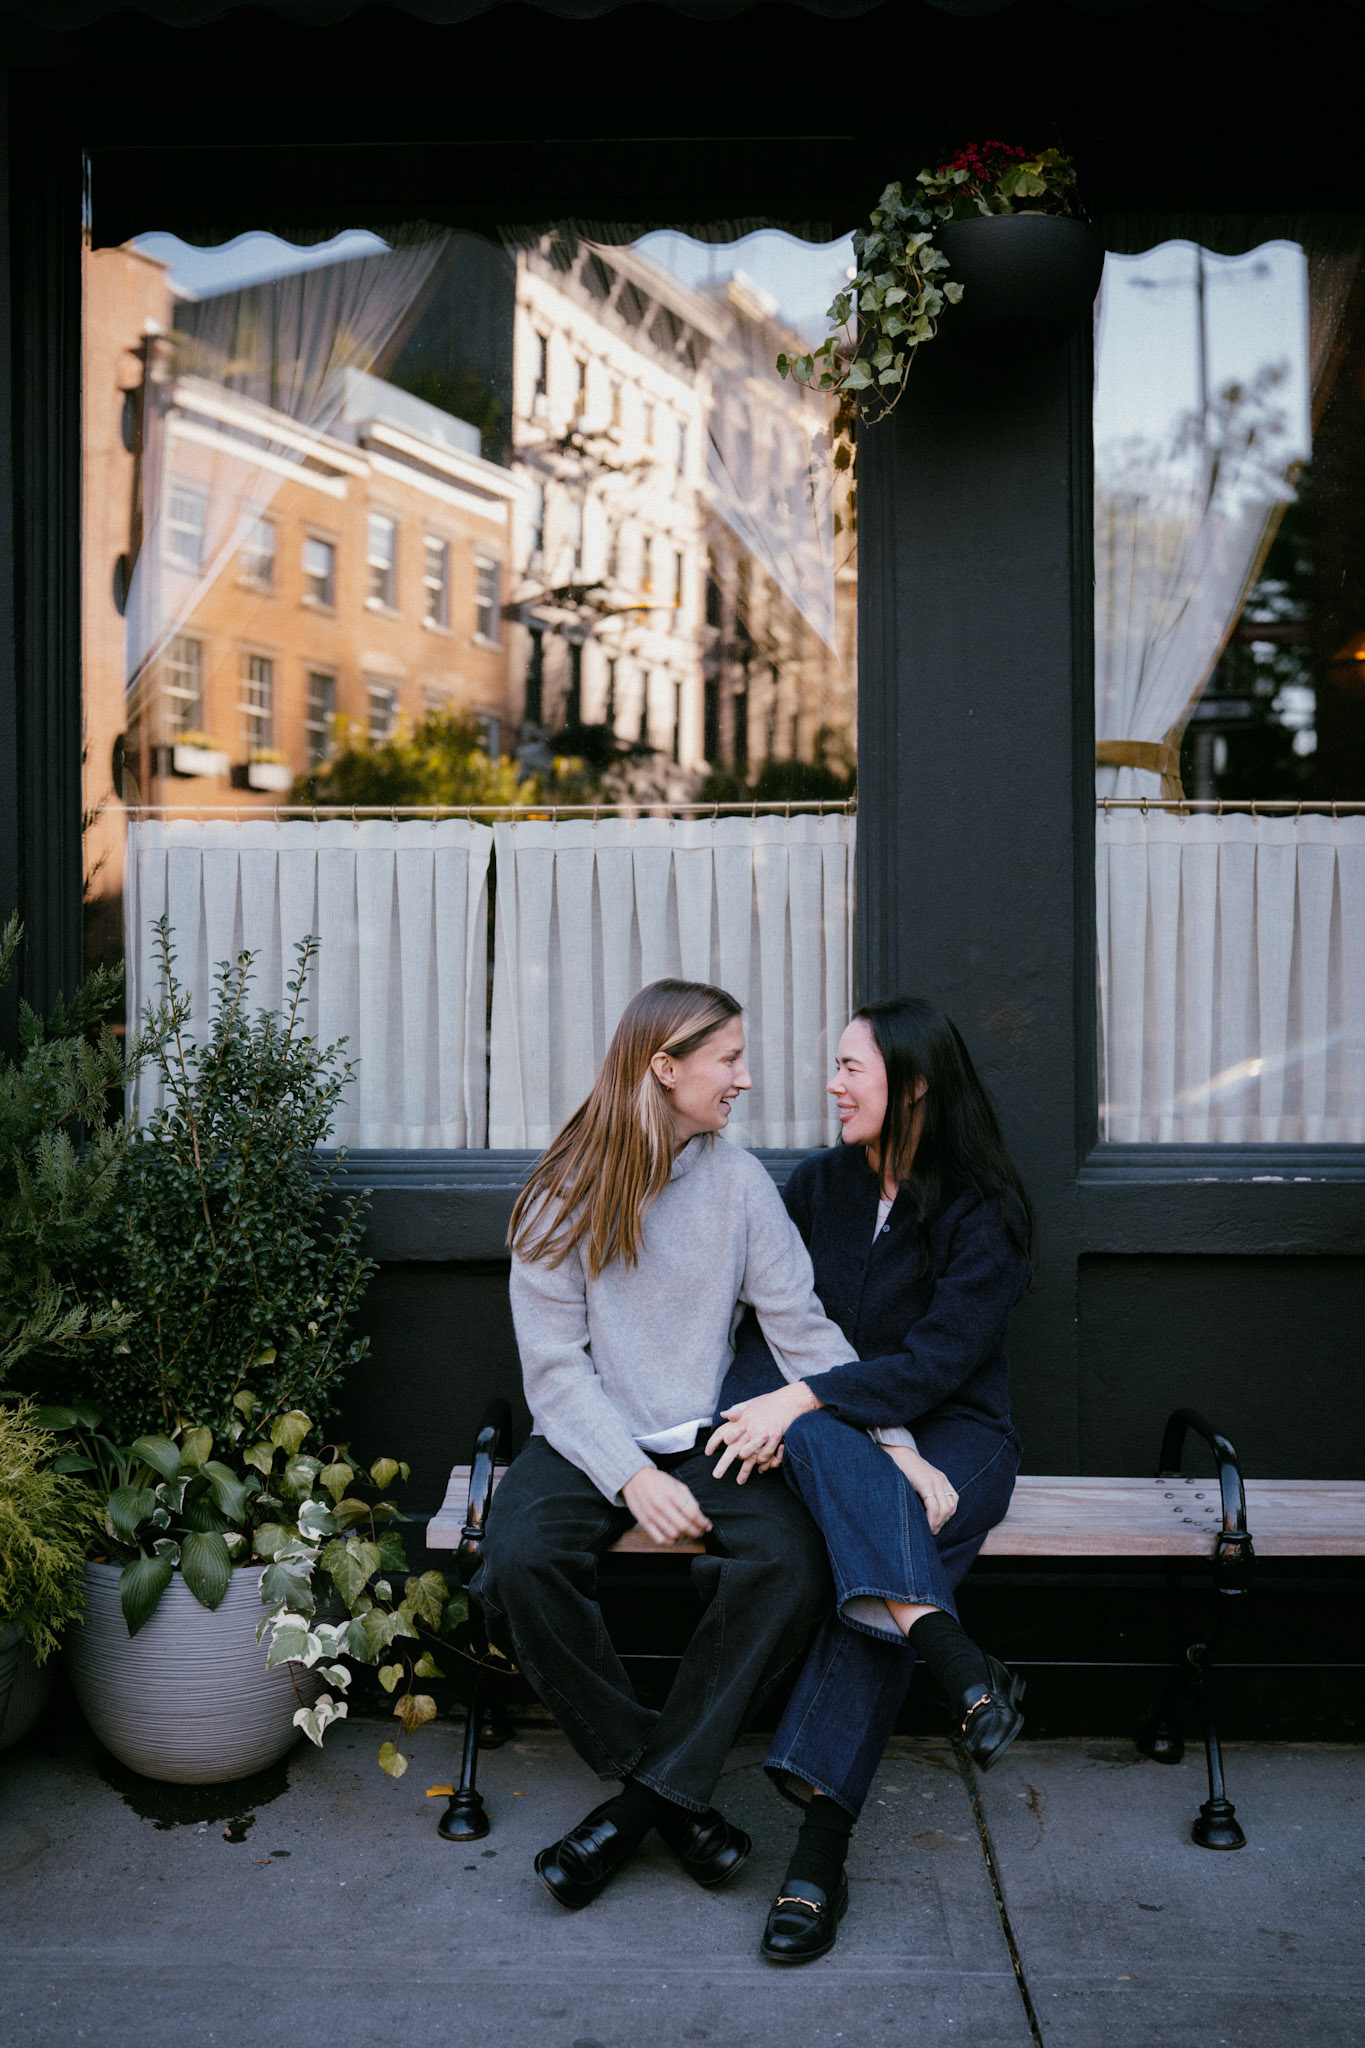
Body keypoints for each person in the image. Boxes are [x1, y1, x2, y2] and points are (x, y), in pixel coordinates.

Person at [476, 978, 953, 1911]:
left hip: (710, 1437)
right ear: (665, 1068)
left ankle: (637, 1808)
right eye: (727, 1059)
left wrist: (892, 1442)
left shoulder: (735, 1183)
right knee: (515, 1560)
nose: (742, 1078)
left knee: (790, 1559)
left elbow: (801, 1332)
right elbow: (554, 1370)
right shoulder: (560, 1187)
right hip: (588, 1440)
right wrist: (626, 1474)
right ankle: (667, 1789)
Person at [707, 997, 1032, 1964]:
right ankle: (951, 1658)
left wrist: (814, 1406)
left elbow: (934, 1367)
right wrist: (846, 1426)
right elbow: (767, 1334)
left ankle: (819, 1845)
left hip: (958, 1438)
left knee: (876, 1528)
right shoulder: (815, 1188)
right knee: (833, 1460)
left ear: (915, 1085)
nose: (832, 1085)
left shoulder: (986, 1211)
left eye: (852, 1068)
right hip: (845, 1438)